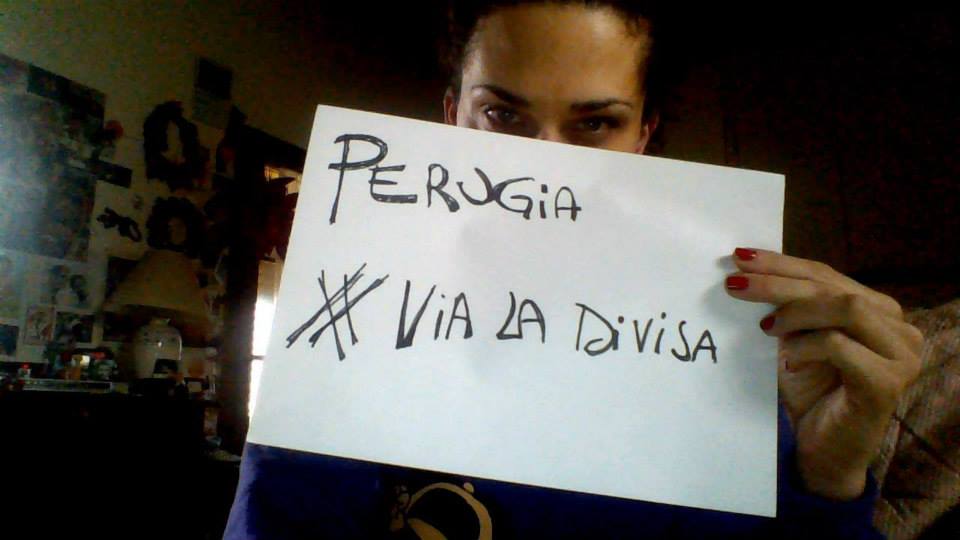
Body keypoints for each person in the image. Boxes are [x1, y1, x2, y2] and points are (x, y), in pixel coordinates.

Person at [226, 2, 923, 538]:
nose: (544, 164)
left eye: (594, 124)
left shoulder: (727, 357)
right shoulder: (354, 330)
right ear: (451, 117)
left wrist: (828, 477)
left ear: (643, 134)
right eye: (502, 114)